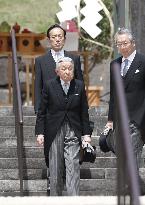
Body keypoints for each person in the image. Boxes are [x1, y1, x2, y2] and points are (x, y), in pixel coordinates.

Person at [35, 57, 92, 196]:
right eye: (64, 69)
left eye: (70, 68)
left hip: (73, 129)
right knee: (55, 169)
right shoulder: (49, 85)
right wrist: (40, 133)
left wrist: (86, 135)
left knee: (73, 166)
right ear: (57, 71)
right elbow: (42, 111)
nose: (67, 71)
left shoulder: (79, 85)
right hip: (54, 130)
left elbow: (84, 111)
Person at [106, 27, 145, 193]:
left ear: (133, 43)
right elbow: (114, 94)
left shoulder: (143, 62)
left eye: (125, 43)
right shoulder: (114, 64)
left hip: (138, 117)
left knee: (133, 152)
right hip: (120, 118)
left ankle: (133, 188)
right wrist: (110, 120)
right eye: (119, 44)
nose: (122, 46)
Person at [34, 24, 83, 114]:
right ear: (49, 40)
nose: (57, 39)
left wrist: (83, 106)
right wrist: (38, 108)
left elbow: (80, 83)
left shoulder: (74, 58)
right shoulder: (40, 61)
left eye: (60, 36)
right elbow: (38, 86)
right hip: (49, 108)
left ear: (64, 39)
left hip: (71, 108)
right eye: (54, 37)